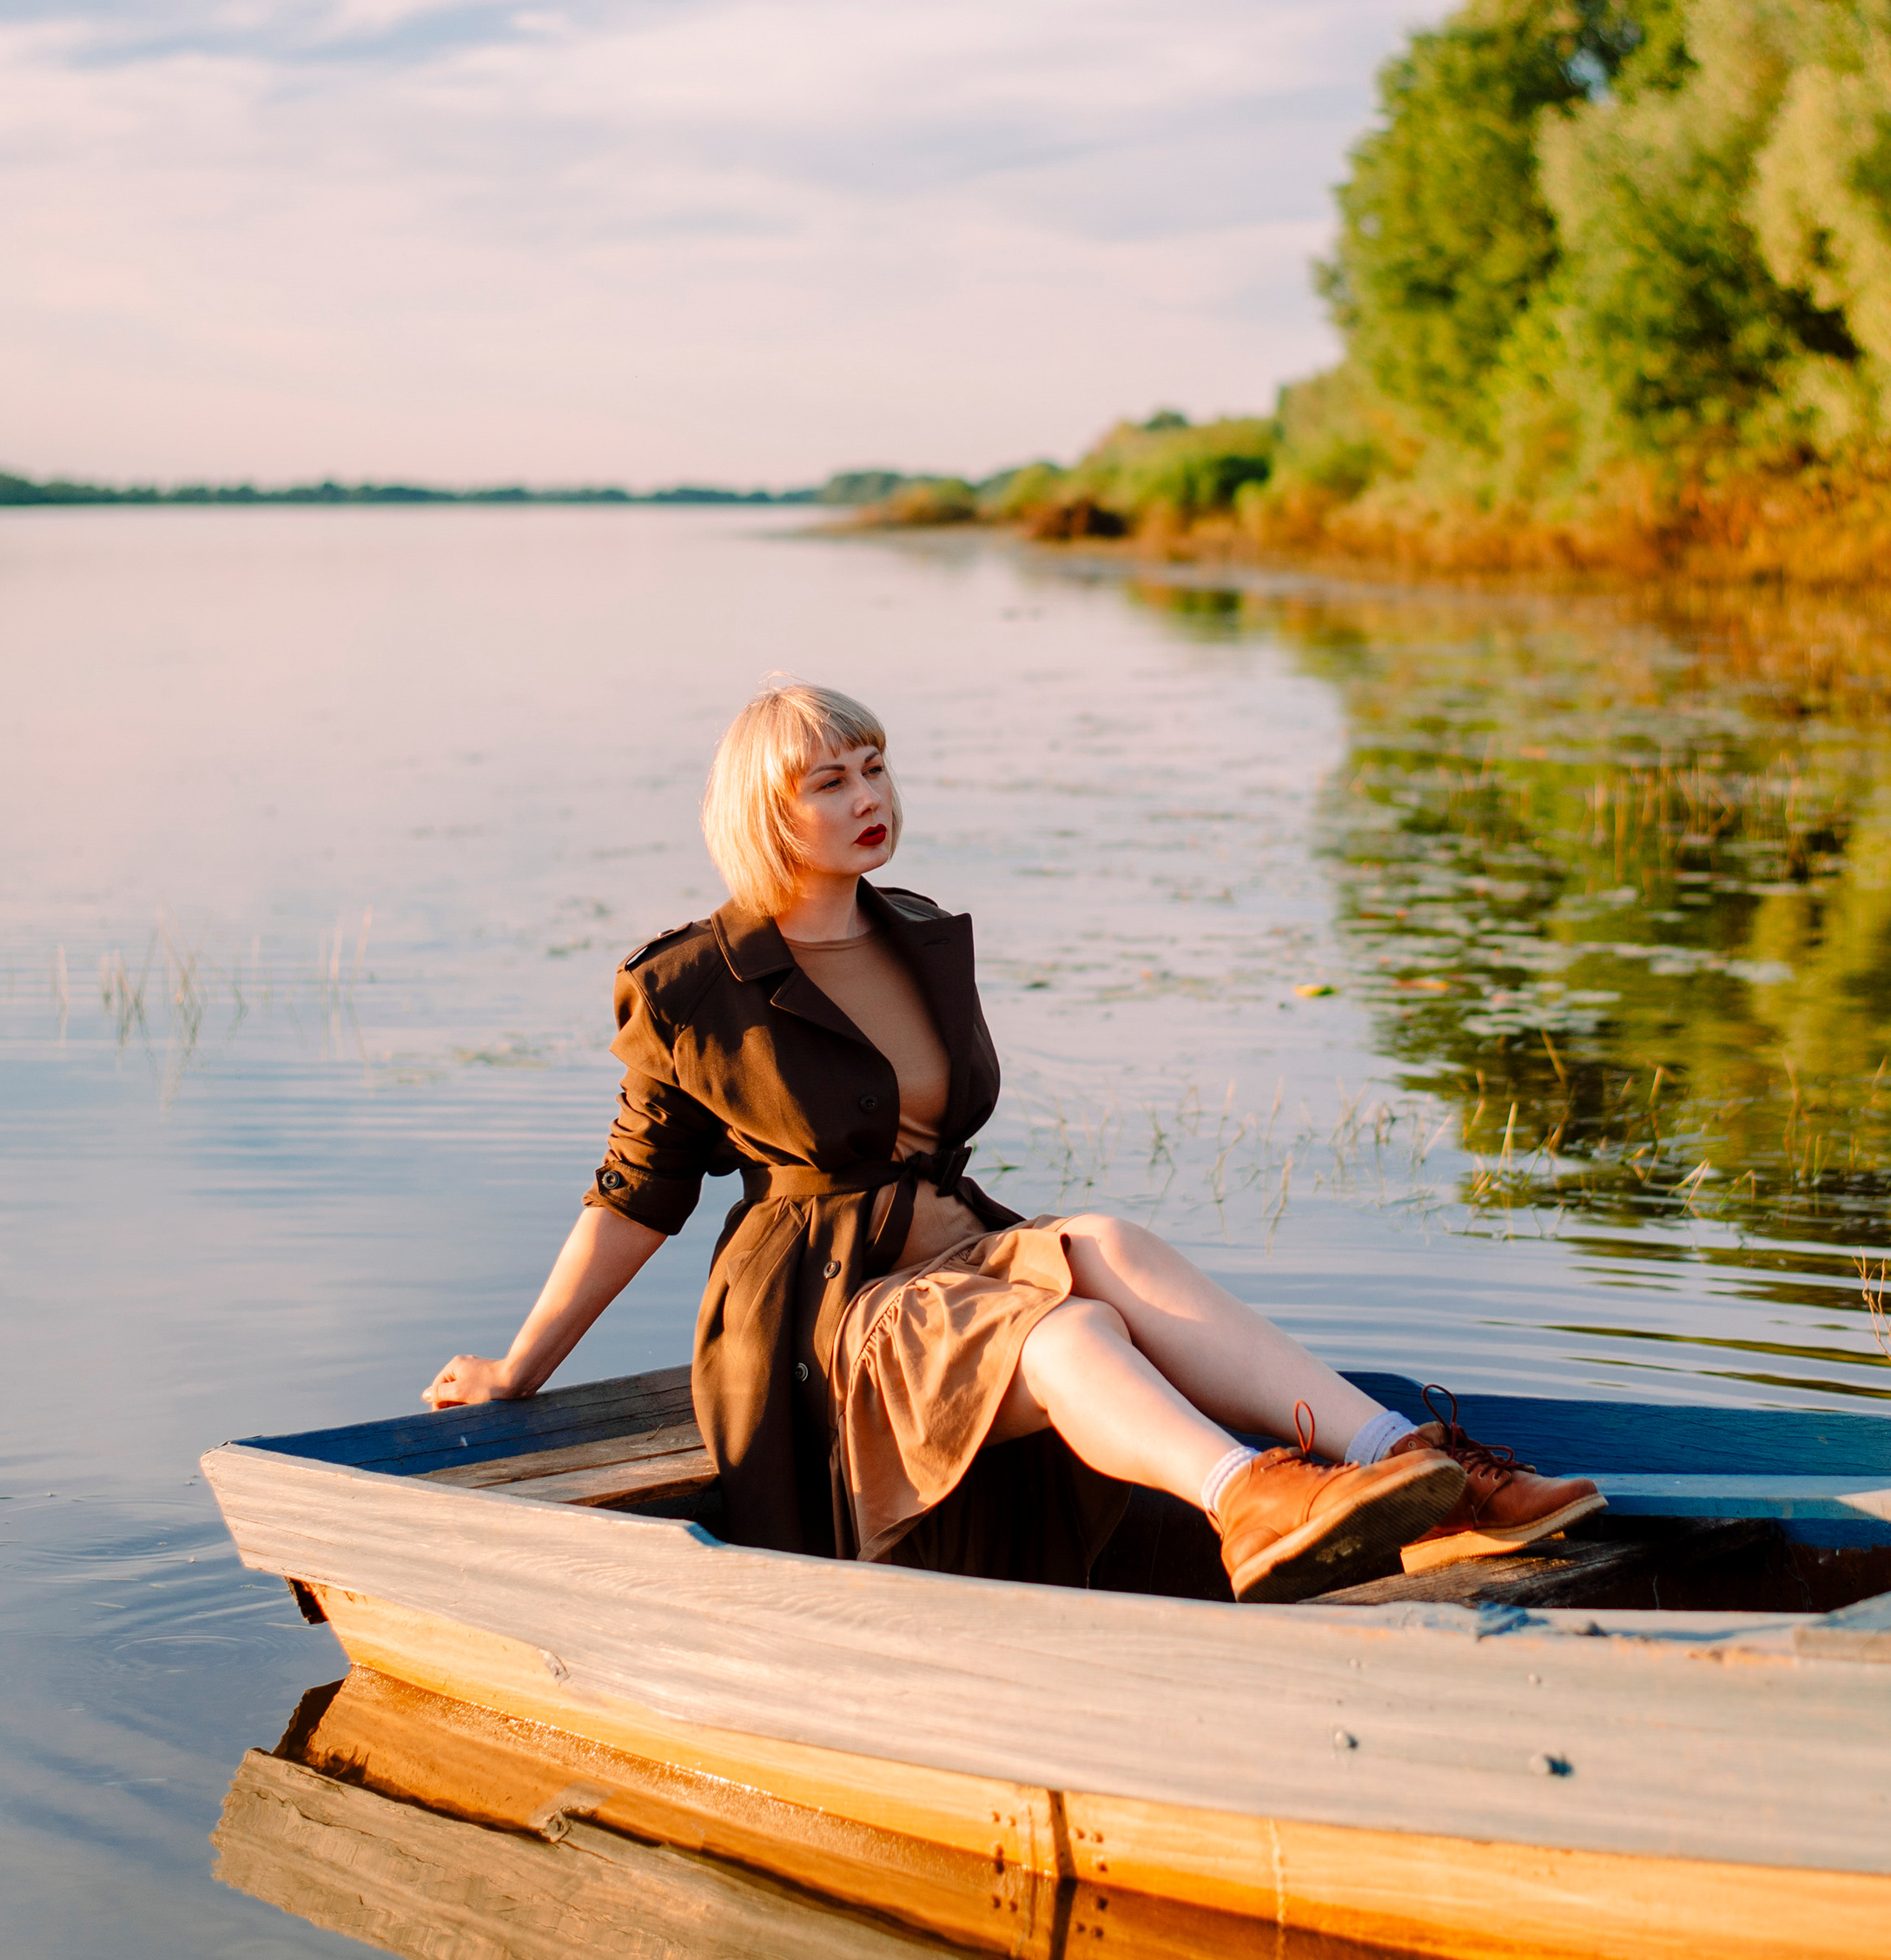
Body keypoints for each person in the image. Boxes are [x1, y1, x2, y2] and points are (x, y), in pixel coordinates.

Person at [423, 680, 1600, 1601]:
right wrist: (519, 1370)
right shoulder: (692, 982)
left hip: (954, 1253)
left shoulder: (920, 932)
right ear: (765, 811)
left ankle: (1421, 1471)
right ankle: (1247, 1495)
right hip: (827, 1312)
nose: (866, 793)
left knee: (1109, 1243)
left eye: (875, 765)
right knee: (1071, 1321)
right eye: (829, 780)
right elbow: (635, 1193)